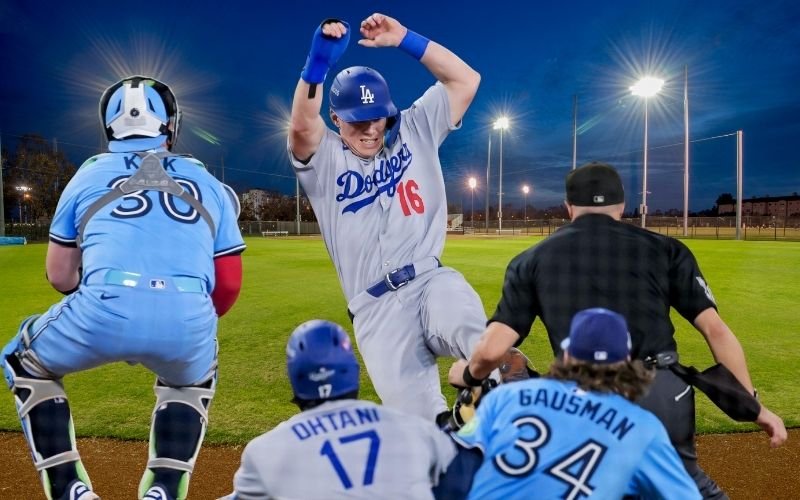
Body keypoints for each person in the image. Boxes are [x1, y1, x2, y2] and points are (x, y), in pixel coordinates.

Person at [448, 161, 787, 498]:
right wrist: (751, 404)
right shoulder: (667, 249)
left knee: (584, 486)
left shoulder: (531, 259)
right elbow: (716, 332)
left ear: (568, 207)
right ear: (623, 205)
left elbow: (494, 351)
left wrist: (470, 376)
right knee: (686, 484)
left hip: (580, 397)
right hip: (662, 392)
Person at [1, 75, 245, 500]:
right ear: (171, 124)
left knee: (22, 359)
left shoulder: (89, 172)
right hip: (188, 315)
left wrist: (105, 290)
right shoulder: (206, 179)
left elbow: (59, 276)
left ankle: (68, 487)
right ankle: (163, 490)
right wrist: (179, 313)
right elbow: (228, 285)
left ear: (109, 125)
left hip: (102, 306)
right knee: (191, 379)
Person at [288, 13, 485, 425]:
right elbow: (303, 126)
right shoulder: (324, 158)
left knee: (479, 342)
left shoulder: (417, 129)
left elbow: (466, 80)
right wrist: (318, 61)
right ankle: (458, 438)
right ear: (336, 118)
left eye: (376, 117)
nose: (369, 129)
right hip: (375, 312)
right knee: (422, 430)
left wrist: (406, 40)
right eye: (356, 120)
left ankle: (496, 385)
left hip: (430, 280)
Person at [444, 308, 701, 499]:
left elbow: (451, 470)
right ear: (626, 360)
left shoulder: (507, 397)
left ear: (566, 355)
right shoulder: (642, 429)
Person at [227, 320, 459, 499]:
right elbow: (462, 478)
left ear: (296, 378)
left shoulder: (265, 451)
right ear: (353, 371)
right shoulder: (416, 429)